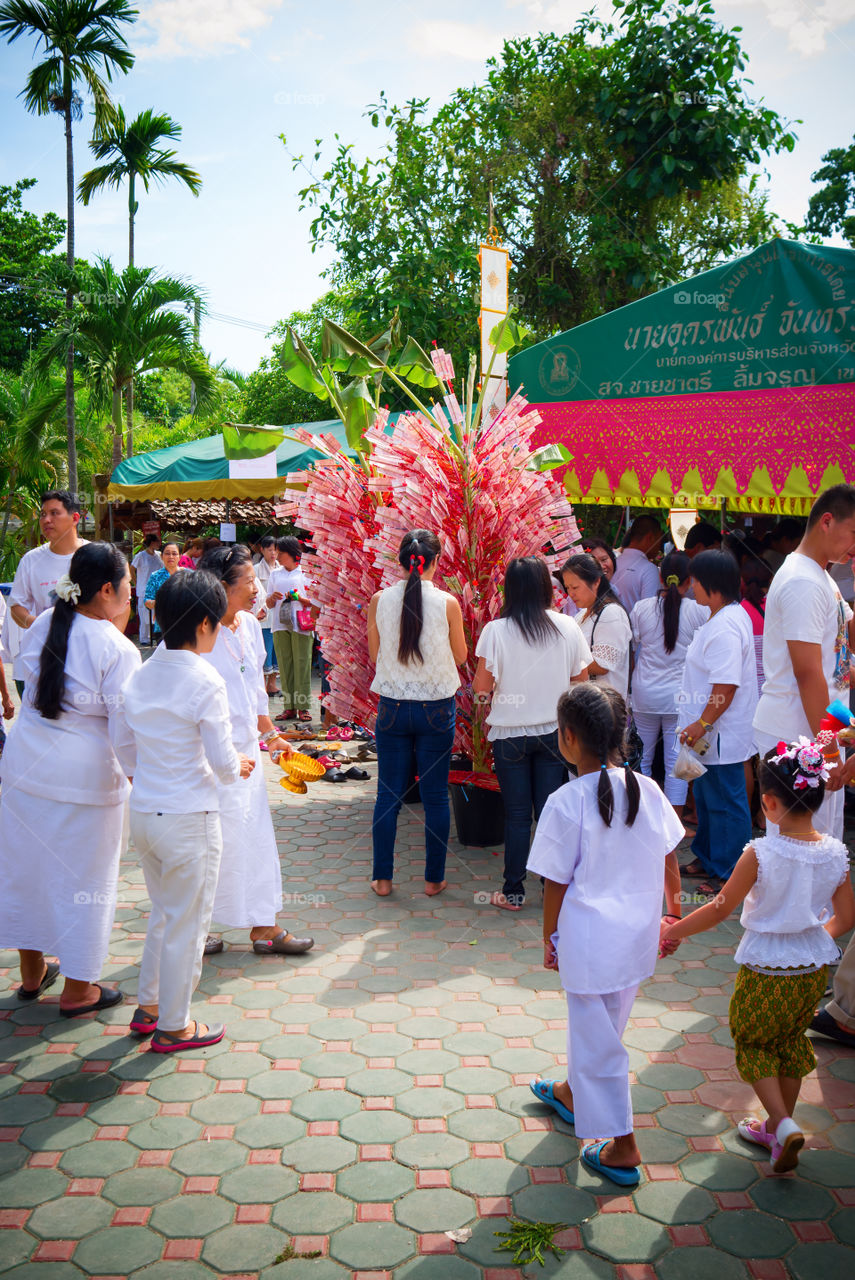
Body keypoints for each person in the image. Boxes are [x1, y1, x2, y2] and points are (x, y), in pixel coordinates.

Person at [661, 743, 854, 1173]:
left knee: (754, 1043)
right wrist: (809, 938)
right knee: (789, 1041)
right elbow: (847, 918)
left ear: (768, 802)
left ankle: (783, 1124)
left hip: (766, 969)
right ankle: (773, 1127)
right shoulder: (836, 853)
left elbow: (720, 907)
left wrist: (673, 929)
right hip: (813, 971)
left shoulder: (760, 853)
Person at [527, 684, 684, 1187]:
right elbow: (670, 859)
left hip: (589, 942)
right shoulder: (648, 788)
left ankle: (623, 1144)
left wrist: (549, 939)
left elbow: (555, 882)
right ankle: (572, 1094)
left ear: (568, 737)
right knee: (603, 1030)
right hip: (636, 939)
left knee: (599, 1041)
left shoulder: (564, 801)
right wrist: (674, 916)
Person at [0, 543, 140, 1014]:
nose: (130, 594)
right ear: (106, 590)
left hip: (25, 769)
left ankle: (32, 973)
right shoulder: (116, 648)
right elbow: (125, 734)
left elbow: (28, 684)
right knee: (86, 883)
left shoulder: (42, 624)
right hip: (85, 780)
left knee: (28, 875)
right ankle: (79, 990)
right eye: (127, 586)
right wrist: (144, 780)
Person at [122, 570, 255, 1052]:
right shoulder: (204, 677)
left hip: (146, 812)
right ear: (203, 623)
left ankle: (149, 1006)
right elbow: (222, 765)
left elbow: (123, 745)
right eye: (218, 621)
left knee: (165, 914)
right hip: (188, 817)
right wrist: (239, 763)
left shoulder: (141, 671)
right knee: (188, 923)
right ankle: (175, 1025)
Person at [198, 545, 314, 955]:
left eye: (255, 579)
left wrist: (272, 738)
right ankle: (197, 929)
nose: (256, 588)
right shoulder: (194, 633)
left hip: (246, 754)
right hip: (208, 759)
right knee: (212, 844)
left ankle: (264, 926)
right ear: (218, 587)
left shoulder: (247, 624)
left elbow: (254, 693)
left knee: (254, 838)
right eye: (248, 581)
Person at [473, 557, 591, 910]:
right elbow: (581, 683)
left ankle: (513, 890)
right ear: (545, 587)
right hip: (556, 734)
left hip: (509, 735)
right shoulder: (567, 627)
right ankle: (555, 886)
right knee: (550, 812)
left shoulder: (496, 630)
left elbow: (482, 687)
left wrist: (490, 698)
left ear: (509, 588)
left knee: (517, 814)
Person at [367, 529, 467, 897]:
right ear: (437, 561)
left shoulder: (379, 599)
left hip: (392, 708)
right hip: (436, 709)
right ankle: (433, 879)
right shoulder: (448, 603)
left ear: (401, 561)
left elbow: (375, 653)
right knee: (436, 796)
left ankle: (382, 879)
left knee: (387, 796)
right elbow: (460, 657)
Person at [753, 484, 855, 835]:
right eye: (854, 533)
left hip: (816, 727)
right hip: (799, 732)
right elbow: (809, 673)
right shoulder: (804, 581)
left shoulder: (821, 577)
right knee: (802, 854)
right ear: (827, 521)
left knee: (819, 848)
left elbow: (843, 650)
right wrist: (828, 754)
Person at [678, 550, 758, 892]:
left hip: (719, 732)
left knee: (726, 801)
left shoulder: (726, 625)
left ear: (711, 585)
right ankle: (708, 857)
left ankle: (729, 872)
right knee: (711, 798)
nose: (691, 587)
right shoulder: (724, 616)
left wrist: (704, 723)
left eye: (695, 581)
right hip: (713, 732)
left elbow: (726, 684)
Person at [629, 552, 708, 817]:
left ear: (660, 577)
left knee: (643, 758)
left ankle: (644, 817)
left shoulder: (641, 608)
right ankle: (675, 821)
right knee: (677, 761)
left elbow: (634, 645)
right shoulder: (699, 612)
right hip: (679, 698)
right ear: (690, 580)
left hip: (644, 695)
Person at [8, 490, 87, 697]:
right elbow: (16, 607)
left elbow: (122, 603)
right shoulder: (31, 560)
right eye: (43, 514)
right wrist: (41, 626)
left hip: (85, 660)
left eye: (54, 513)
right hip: (44, 661)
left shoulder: (95, 556)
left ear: (75, 518)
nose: (46, 520)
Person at [561, 553, 632, 699]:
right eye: (568, 588)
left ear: (596, 582)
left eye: (575, 587)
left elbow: (602, 665)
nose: (571, 593)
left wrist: (562, 661)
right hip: (584, 704)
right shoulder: (581, 616)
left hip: (604, 706)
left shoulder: (611, 613)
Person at [267, 536, 315, 723]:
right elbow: (269, 603)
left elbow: (315, 602)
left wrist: (299, 599)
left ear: (293, 554)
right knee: (285, 666)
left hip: (302, 624)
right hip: (280, 623)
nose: (277, 556)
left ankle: (302, 707)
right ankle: (289, 707)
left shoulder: (306, 573)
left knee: (302, 664)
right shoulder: (275, 574)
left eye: (280, 552)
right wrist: (273, 598)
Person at [610, 515, 662, 612]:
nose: (659, 547)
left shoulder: (612, 563)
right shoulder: (649, 570)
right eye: (658, 540)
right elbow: (649, 613)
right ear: (650, 537)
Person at [253, 535, 280, 697]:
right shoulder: (256, 569)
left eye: (275, 550)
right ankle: (262, 684)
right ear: (262, 550)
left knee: (276, 651)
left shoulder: (280, 568)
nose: (273, 553)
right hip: (263, 616)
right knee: (265, 650)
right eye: (269, 549)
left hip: (277, 617)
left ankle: (272, 684)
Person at [131, 534, 163, 646]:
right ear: (152, 542)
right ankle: (144, 638)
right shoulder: (141, 556)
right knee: (144, 614)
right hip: (143, 589)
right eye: (157, 542)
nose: (159, 544)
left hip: (156, 588)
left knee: (156, 614)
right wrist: (136, 583)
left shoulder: (158, 555)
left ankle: (154, 636)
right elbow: (132, 569)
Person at [143, 542, 181, 636]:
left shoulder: (189, 575)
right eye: (167, 553)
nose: (171, 556)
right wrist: (159, 603)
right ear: (162, 556)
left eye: (174, 553)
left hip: (185, 625)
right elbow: (147, 601)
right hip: (162, 626)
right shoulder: (155, 576)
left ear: (179, 556)